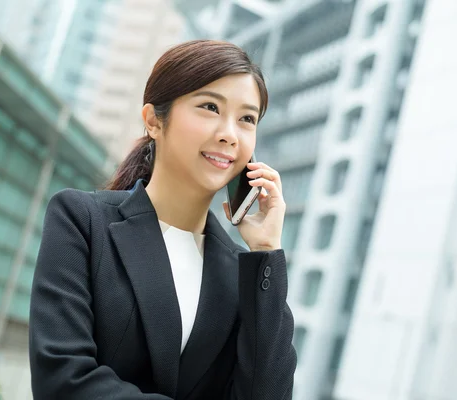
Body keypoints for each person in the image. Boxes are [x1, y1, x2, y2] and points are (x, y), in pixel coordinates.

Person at [29, 39, 297, 400]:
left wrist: (265, 252)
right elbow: (62, 378)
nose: (229, 134)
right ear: (154, 121)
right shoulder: (82, 221)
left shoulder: (243, 273)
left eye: (246, 118)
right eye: (209, 107)